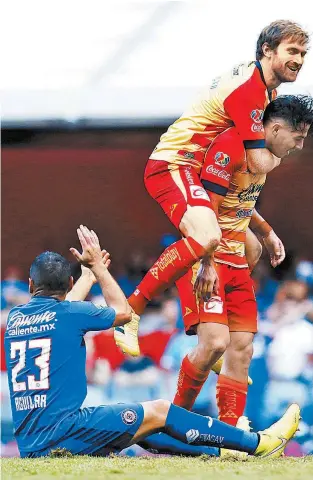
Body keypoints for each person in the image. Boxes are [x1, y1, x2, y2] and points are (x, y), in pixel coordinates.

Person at [4, 225, 300, 459]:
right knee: (159, 409)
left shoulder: (16, 318)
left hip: (32, 441)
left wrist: (87, 277)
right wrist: (99, 269)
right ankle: (260, 443)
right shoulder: (68, 313)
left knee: (144, 426)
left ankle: (226, 452)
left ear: (30, 286)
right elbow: (122, 313)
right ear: (68, 285)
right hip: (64, 431)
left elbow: (63, 311)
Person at [116, 20, 309, 356]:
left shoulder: (267, 92)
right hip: (174, 165)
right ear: (267, 50)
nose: (299, 59)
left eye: (304, 53)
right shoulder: (250, 91)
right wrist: (285, 151)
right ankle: (129, 312)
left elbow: (247, 177)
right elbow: (259, 163)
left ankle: (207, 332)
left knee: (249, 250)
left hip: (198, 171)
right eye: (292, 51)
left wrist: (264, 229)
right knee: (206, 239)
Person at [172, 95, 313, 426]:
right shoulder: (232, 148)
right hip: (207, 256)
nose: (300, 145)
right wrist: (205, 261)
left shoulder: (262, 158)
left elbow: (239, 203)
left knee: (242, 347)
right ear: (276, 128)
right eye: (298, 137)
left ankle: (231, 428)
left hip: (234, 258)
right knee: (215, 344)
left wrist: (267, 232)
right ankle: (173, 421)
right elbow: (207, 206)